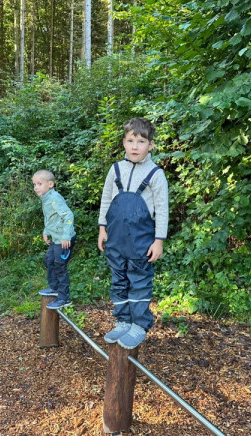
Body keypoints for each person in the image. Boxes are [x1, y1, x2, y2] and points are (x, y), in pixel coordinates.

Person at [97, 117, 169, 349]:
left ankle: (138, 324)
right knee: (118, 279)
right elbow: (106, 199)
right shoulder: (115, 169)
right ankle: (123, 321)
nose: (135, 146)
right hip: (115, 237)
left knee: (139, 281)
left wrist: (159, 241)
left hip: (141, 240)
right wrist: (102, 228)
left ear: (151, 145)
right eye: (130, 141)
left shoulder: (156, 174)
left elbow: (162, 210)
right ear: (124, 143)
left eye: (141, 141)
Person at [33, 169, 76, 310]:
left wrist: (66, 236)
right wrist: (46, 232)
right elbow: (50, 217)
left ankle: (64, 298)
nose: (36, 187)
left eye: (39, 184)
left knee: (59, 266)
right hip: (56, 238)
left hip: (64, 239)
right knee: (49, 260)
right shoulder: (45, 198)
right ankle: (54, 288)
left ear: (50, 184)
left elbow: (68, 215)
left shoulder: (54, 198)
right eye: (34, 184)